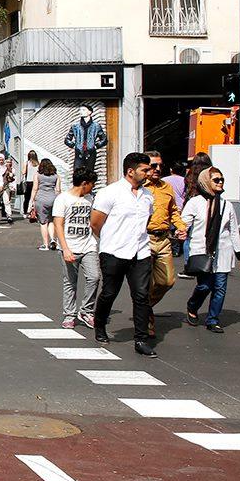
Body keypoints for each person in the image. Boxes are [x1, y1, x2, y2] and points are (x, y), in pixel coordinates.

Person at [90, 152, 158, 357]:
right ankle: (99, 324)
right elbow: (95, 223)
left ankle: (141, 339)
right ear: (130, 171)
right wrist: (110, 240)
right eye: (145, 170)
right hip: (114, 251)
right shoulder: (109, 193)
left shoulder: (147, 196)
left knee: (141, 296)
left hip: (141, 252)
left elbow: (146, 222)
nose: (149, 173)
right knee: (110, 292)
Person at [181, 166, 240, 334]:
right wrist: (180, 231)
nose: (220, 182)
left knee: (220, 287)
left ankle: (213, 319)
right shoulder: (195, 203)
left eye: (221, 180)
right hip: (201, 250)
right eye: (216, 180)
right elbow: (184, 223)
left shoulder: (227, 205)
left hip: (223, 251)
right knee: (205, 286)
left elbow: (233, 231)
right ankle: (192, 305)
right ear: (205, 182)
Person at [143, 151, 186, 336]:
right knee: (144, 282)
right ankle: (146, 319)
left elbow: (174, 211)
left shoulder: (166, 187)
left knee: (167, 281)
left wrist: (181, 226)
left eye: (160, 165)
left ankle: (143, 306)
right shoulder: (139, 188)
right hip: (143, 239)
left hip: (163, 240)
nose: (158, 169)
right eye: (153, 166)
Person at [54, 166, 100, 329]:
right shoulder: (63, 199)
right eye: (92, 184)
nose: (92, 187)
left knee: (94, 277)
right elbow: (58, 224)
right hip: (69, 246)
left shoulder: (91, 198)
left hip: (88, 245)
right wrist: (65, 248)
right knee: (70, 282)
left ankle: (86, 311)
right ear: (84, 183)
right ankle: (69, 315)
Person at [65, 103, 107, 175]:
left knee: (89, 175)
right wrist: (74, 146)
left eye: (83, 110)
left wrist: (96, 146)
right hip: (79, 154)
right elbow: (67, 140)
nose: (81, 111)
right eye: (80, 110)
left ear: (90, 112)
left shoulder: (96, 126)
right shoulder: (75, 126)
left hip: (91, 153)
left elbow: (104, 139)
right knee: (77, 174)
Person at [31, 157, 61, 250]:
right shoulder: (56, 176)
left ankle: (45, 244)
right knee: (51, 220)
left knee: (43, 222)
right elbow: (58, 190)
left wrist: (31, 200)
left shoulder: (37, 175)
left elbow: (35, 188)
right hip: (53, 199)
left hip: (41, 199)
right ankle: (53, 240)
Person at [20, 149, 40, 217]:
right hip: (36, 182)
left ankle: (25, 212)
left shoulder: (27, 163)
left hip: (29, 182)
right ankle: (34, 213)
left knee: (27, 198)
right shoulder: (38, 164)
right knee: (35, 198)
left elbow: (23, 172)